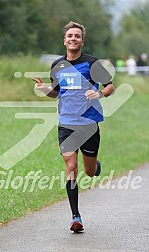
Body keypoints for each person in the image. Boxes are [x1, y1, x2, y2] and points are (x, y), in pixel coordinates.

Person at [32, 21, 115, 232]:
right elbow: (56, 93)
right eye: (70, 35)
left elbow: (110, 86)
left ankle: (95, 166)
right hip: (66, 124)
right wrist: (44, 89)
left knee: (88, 171)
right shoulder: (57, 65)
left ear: (82, 40)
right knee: (71, 169)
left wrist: (99, 93)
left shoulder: (92, 63)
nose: (73, 39)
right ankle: (75, 217)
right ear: (64, 40)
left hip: (89, 124)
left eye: (77, 36)